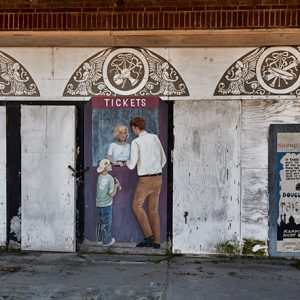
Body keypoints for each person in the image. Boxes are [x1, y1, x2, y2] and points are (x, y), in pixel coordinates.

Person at [125, 117, 166, 249]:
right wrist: (155, 168)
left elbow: (132, 165)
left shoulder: (136, 142)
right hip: (158, 178)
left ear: (136, 128)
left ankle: (148, 237)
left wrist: (125, 163)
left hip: (145, 180)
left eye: (133, 129)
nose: (133, 131)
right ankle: (157, 242)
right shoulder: (154, 137)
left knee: (137, 206)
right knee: (154, 210)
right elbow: (163, 159)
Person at [96, 158, 121, 246]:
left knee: (100, 222)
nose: (111, 166)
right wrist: (116, 186)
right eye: (109, 165)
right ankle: (107, 241)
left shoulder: (99, 177)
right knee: (107, 223)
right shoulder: (110, 178)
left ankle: (99, 239)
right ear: (105, 168)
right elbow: (112, 194)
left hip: (98, 204)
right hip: (106, 205)